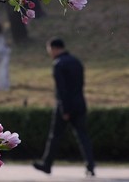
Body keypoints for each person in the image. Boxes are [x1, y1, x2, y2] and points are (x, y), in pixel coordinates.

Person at [33, 38, 95, 177]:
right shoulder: (77, 62)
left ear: (54, 48)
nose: (50, 53)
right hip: (80, 103)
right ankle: (90, 165)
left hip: (65, 105)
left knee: (55, 136)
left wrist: (65, 110)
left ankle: (47, 164)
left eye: (50, 50)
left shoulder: (58, 64)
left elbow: (61, 89)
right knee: (83, 136)